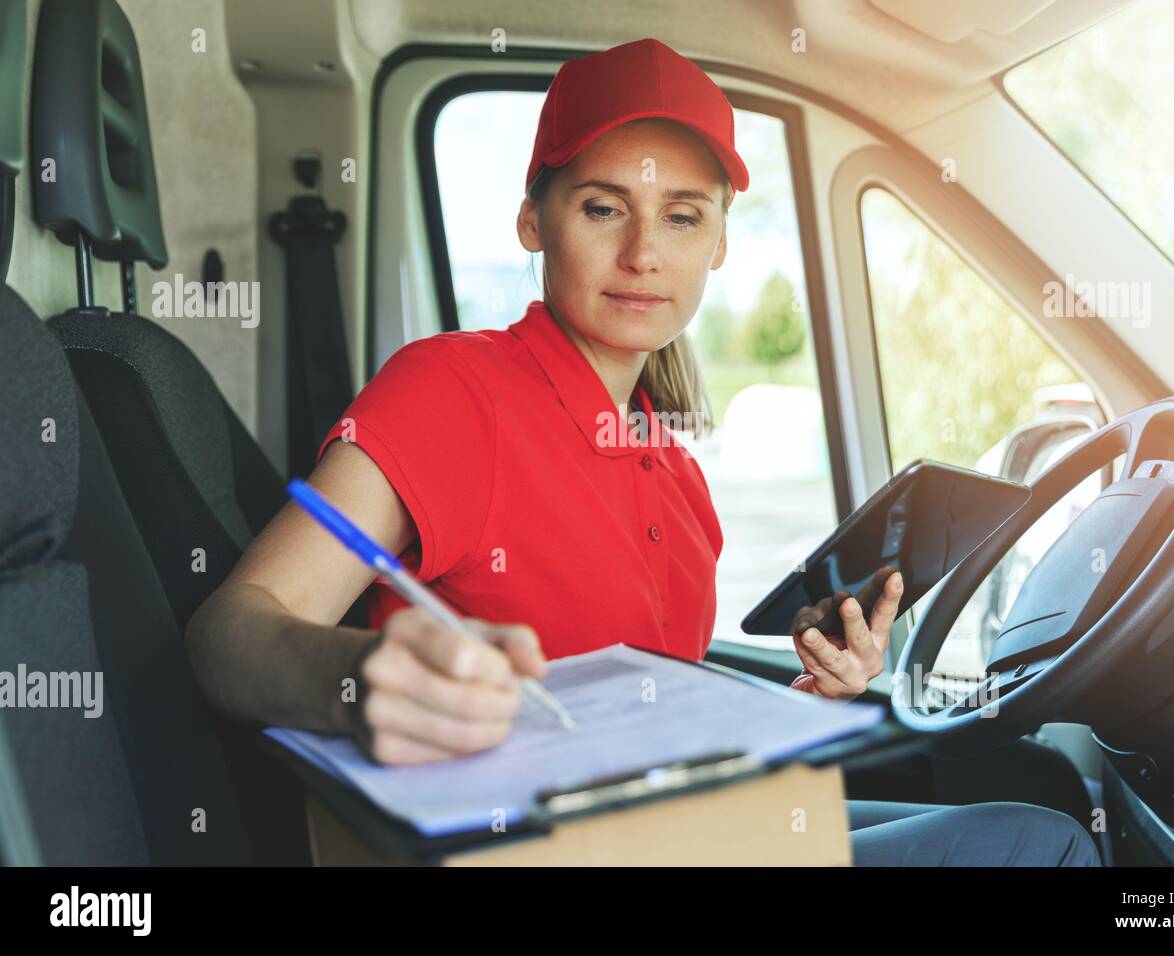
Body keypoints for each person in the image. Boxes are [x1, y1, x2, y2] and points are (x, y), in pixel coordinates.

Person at [186, 37, 1097, 866]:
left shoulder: (675, 472)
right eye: (602, 207)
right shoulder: (452, 393)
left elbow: (661, 720)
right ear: (533, 220)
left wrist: (819, 693)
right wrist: (355, 681)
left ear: (722, 243)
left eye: (683, 217)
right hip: (531, 849)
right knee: (1039, 842)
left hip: (675, 830)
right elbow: (227, 632)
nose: (642, 254)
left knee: (1025, 807)